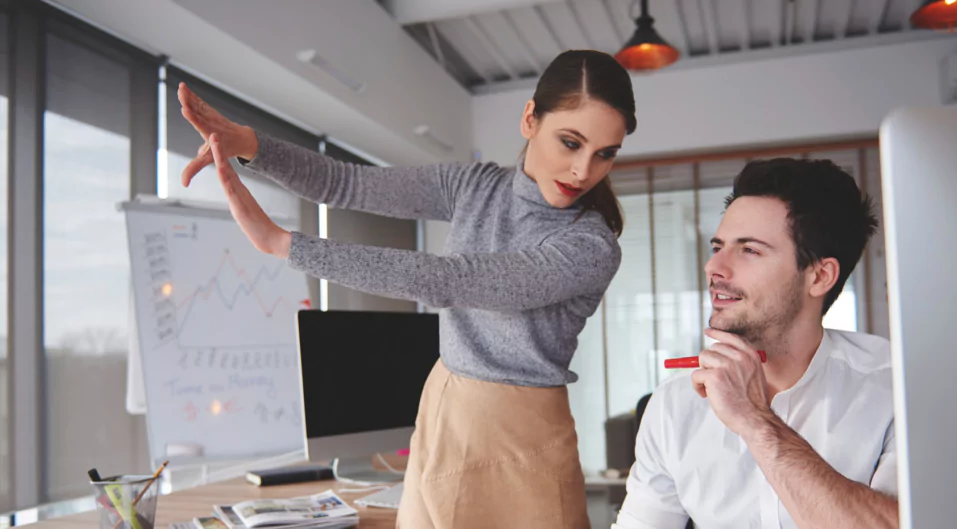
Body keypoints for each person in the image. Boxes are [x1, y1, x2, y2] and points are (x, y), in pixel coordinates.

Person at [178, 50, 635, 529]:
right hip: (443, 408)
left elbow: (452, 279)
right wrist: (250, 144)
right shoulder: (472, 187)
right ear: (530, 119)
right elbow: (344, 183)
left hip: (523, 441)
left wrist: (284, 246)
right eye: (570, 142)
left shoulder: (590, 246)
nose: (584, 170)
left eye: (605, 153)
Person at [614, 158, 898, 529]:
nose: (714, 267)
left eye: (749, 250)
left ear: (820, 276)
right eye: (718, 246)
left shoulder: (896, 387)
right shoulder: (675, 403)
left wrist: (755, 421)